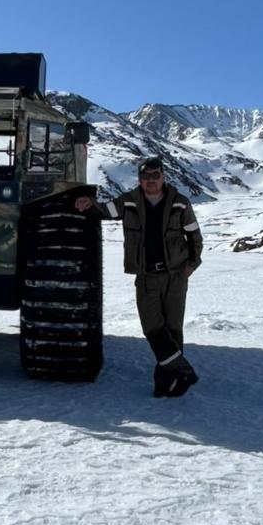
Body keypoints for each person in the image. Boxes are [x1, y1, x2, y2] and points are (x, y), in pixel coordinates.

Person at [75, 156, 203, 397]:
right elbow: (105, 210)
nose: (150, 181)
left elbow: (195, 237)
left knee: (173, 328)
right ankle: (184, 370)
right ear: (140, 180)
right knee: (152, 327)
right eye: (145, 177)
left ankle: (169, 381)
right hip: (146, 276)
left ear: (164, 177)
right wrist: (88, 203)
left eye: (155, 176)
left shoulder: (180, 203)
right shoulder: (130, 202)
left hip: (175, 276)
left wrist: (192, 265)